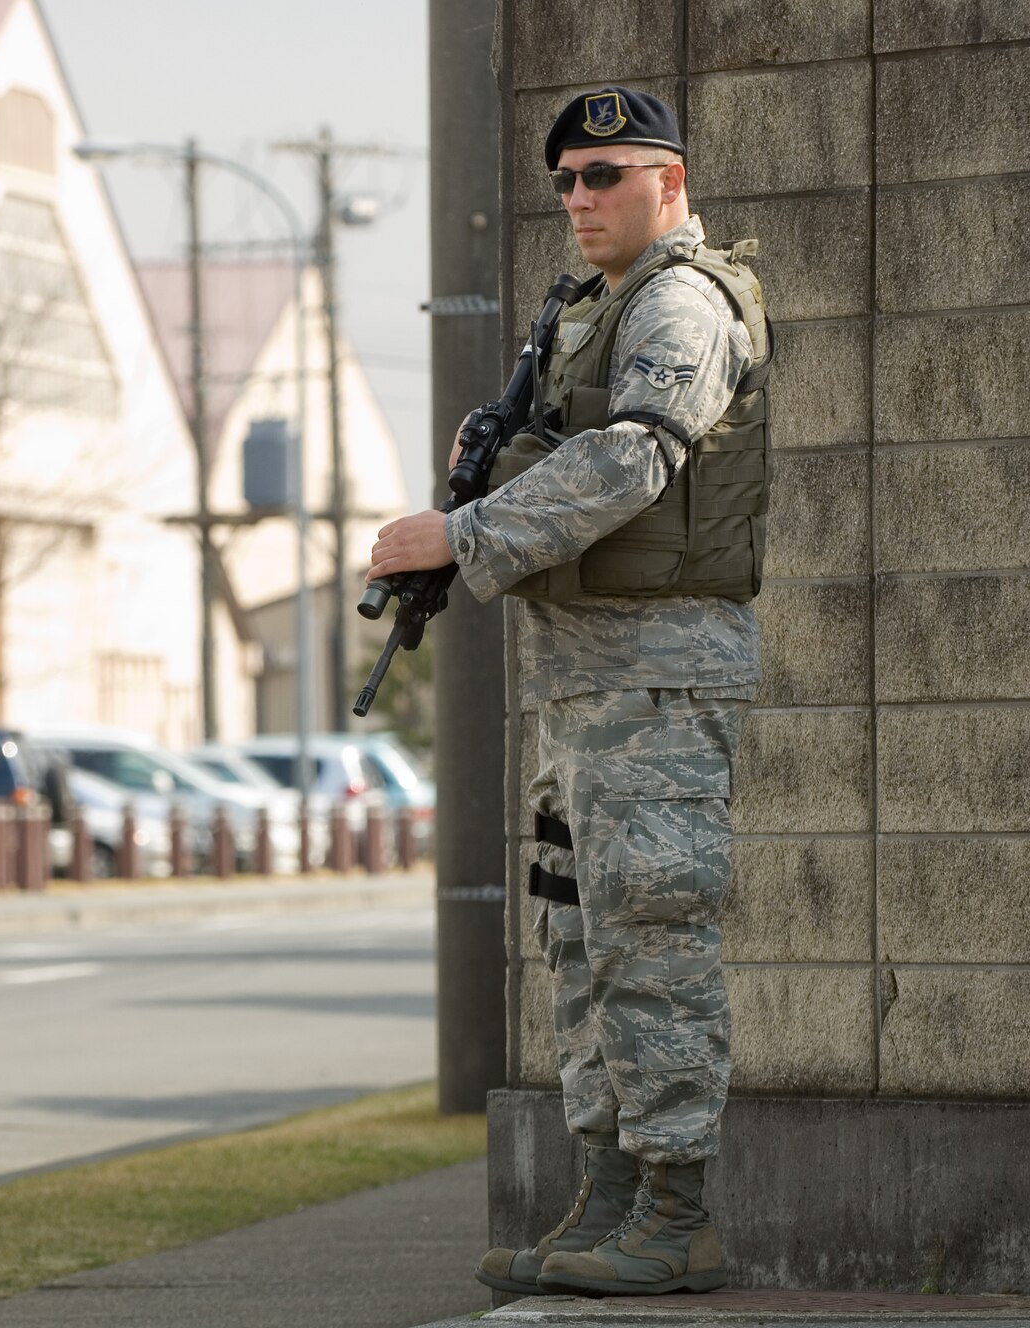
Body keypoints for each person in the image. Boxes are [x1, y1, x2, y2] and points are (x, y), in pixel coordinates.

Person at [366, 85, 771, 1298]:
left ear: (671, 181)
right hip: (585, 680)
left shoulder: (681, 304)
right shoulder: (587, 310)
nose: (580, 199)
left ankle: (673, 1212)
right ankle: (605, 1197)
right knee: (582, 946)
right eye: (566, 181)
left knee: (652, 940)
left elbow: (634, 455)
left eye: (607, 173)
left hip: (655, 671)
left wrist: (463, 531)